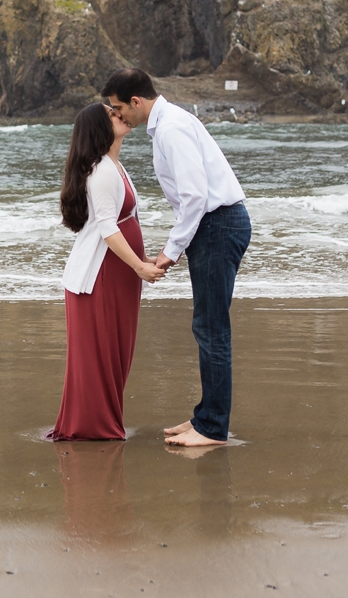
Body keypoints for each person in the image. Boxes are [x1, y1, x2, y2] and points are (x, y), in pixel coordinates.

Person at [101, 68, 251, 447]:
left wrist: (171, 250)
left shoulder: (170, 128)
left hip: (217, 224)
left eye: (119, 109)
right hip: (215, 225)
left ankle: (212, 428)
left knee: (210, 327)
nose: (118, 117)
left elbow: (196, 197)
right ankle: (206, 416)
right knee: (207, 325)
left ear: (137, 101)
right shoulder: (170, 123)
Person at [49, 103, 167, 441]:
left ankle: (103, 422)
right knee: (101, 354)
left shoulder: (115, 166)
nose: (120, 115)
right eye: (111, 115)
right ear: (100, 128)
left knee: (116, 352)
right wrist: (140, 266)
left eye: (118, 111)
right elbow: (107, 229)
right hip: (99, 276)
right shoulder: (101, 170)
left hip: (117, 275)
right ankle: (94, 428)